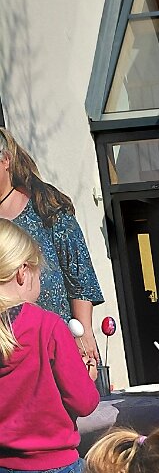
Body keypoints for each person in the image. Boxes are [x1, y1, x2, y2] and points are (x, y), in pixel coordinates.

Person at [0, 221, 99, 473]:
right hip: (55, 470)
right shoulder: (48, 326)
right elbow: (85, 403)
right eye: (38, 271)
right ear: (22, 272)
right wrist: (88, 376)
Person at [0, 127, 104, 375]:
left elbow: (80, 276)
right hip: (8, 356)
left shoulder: (46, 207)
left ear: (6, 160)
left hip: (59, 347)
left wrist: (83, 334)